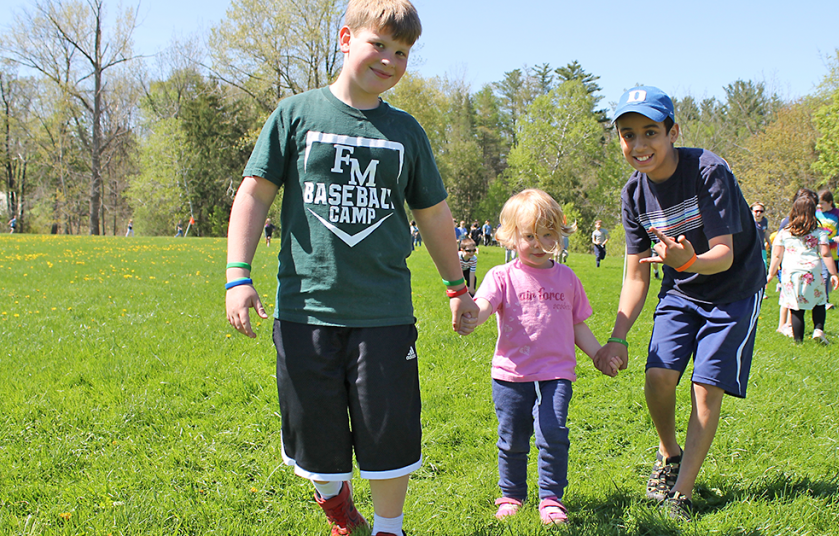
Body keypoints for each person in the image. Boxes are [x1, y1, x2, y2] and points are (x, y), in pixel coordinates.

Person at [223, 2, 477, 535]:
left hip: (383, 314)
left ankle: (389, 527)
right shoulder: (295, 115)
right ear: (345, 38)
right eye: (379, 45)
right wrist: (238, 275)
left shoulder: (406, 132)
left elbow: (433, 214)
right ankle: (337, 506)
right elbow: (254, 194)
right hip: (304, 311)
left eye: (402, 52)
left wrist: (457, 288)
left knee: (390, 433)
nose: (389, 60)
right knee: (313, 434)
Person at [594, 86, 765, 520]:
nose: (639, 144)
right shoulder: (634, 194)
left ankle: (682, 496)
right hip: (682, 291)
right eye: (627, 134)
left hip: (734, 290)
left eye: (650, 132)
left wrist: (689, 259)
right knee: (657, 376)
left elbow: (724, 254)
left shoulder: (707, 170)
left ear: (673, 132)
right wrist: (617, 337)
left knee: (705, 387)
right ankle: (669, 454)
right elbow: (636, 274)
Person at [463, 189, 616, 525]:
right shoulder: (502, 276)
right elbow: (485, 305)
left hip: (556, 372)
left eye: (547, 235)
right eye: (529, 236)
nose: (538, 243)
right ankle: (512, 494)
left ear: (559, 236)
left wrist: (598, 354)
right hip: (511, 373)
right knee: (513, 437)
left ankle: (551, 498)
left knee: (553, 431)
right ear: (511, 236)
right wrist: (472, 315)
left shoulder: (567, 278)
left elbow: (577, 324)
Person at [766, 189, 839, 344]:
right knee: (819, 302)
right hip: (812, 270)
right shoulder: (820, 232)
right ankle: (818, 330)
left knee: (796, 308)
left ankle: (798, 342)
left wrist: (770, 274)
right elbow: (826, 254)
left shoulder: (785, 233)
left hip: (791, 272)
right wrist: (834, 274)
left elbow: (777, 255)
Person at [815, 191, 839, 309]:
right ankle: (823, 301)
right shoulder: (816, 213)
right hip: (816, 248)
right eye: (818, 203)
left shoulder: (838, 214)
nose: (820, 206)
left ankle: (822, 299)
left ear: (830, 202)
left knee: (827, 275)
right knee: (821, 274)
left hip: (832, 250)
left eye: (822, 203)